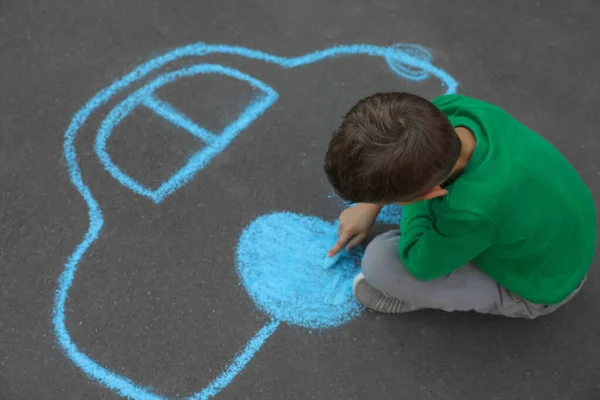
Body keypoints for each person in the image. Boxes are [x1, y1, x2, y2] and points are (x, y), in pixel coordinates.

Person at [323, 92, 596, 318]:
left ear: (431, 193)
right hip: (567, 226)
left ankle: (436, 297)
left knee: (379, 263)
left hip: (544, 284)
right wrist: (372, 205)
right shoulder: (445, 112)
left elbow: (422, 264)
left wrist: (412, 204)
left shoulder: (470, 210)